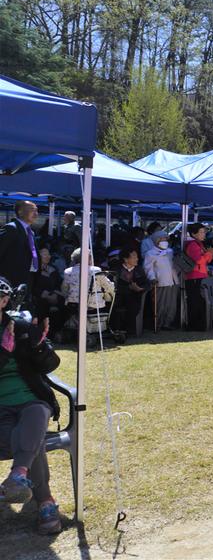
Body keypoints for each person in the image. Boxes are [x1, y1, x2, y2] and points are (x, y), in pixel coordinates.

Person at [0, 278, 64, 534]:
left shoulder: (21, 324)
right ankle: (45, 500)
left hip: (30, 399)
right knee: (32, 438)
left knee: (38, 411)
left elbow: (50, 365)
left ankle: (18, 475)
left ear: (5, 301)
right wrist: (4, 352)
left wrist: (39, 347)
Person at [0, 200, 41, 303]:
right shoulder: (11, 228)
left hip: (27, 280)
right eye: (32, 210)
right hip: (10, 281)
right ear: (20, 212)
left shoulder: (31, 232)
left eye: (37, 210)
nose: (36, 213)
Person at [184, 223, 213, 331]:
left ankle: (198, 324)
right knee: (195, 301)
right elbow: (199, 261)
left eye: (204, 232)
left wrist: (210, 254)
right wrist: (210, 253)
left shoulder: (199, 244)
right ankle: (194, 325)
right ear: (194, 234)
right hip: (194, 277)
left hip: (199, 276)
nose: (204, 234)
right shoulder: (193, 245)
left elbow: (205, 261)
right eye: (201, 232)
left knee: (199, 301)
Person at [111, 248, 151, 337]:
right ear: (125, 259)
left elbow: (147, 283)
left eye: (137, 257)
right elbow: (112, 285)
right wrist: (128, 287)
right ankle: (117, 330)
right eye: (134, 257)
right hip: (119, 297)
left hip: (134, 297)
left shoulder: (139, 269)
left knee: (132, 306)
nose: (137, 259)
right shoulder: (117, 270)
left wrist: (139, 288)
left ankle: (129, 330)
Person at [144, 231, 179, 331]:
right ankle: (158, 323)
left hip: (172, 281)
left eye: (166, 239)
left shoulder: (170, 251)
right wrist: (152, 278)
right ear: (157, 240)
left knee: (171, 304)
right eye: (163, 239)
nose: (165, 241)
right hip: (160, 281)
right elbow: (148, 268)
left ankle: (168, 323)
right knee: (160, 303)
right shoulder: (150, 253)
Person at [32, 248, 66, 338]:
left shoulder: (53, 269)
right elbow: (32, 285)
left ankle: (57, 333)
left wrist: (55, 294)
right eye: (45, 254)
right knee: (42, 307)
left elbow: (59, 283)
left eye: (49, 254)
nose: (48, 256)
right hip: (39, 297)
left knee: (64, 305)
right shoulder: (34, 270)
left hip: (54, 295)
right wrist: (43, 294)